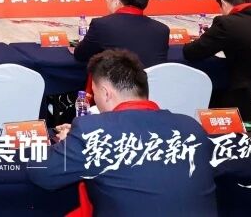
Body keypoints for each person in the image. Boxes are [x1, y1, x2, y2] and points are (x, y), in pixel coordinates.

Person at [28, 49, 216, 215]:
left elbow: (41, 173)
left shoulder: (92, 130)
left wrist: (63, 143)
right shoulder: (193, 128)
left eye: (95, 94)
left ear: (106, 93)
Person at [74, 0, 170, 68]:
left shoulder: (102, 25)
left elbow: (81, 55)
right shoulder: (162, 30)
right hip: (152, 81)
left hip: (117, 80)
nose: (107, 0)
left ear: (116, 2)